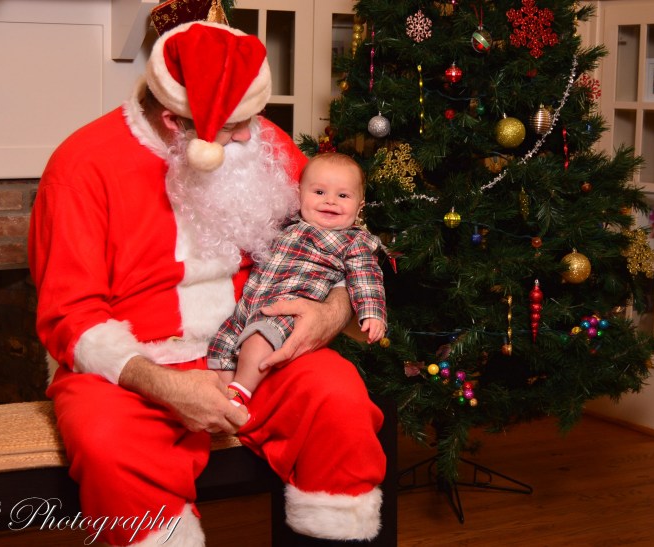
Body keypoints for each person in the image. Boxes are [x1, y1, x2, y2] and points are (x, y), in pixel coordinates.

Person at [29, 19, 386, 547]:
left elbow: (341, 238)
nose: (249, 134)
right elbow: (70, 314)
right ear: (174, 120)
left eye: (251, 118)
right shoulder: (81, 165)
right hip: (139, 364)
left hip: (254, 341)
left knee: (339, 399)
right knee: (106, 443)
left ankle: (334, 535)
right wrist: (165, 385)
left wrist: (332, 311)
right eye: (232, 125)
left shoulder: (262, 143)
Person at [208, 152, 387, 413]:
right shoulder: (286, 225)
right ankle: (226, 400)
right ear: (300, 195)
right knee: (220, 345)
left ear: (360, 207)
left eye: (343, 196)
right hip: (247, 307)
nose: (330, 201)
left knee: (259, 340)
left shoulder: (353, 241)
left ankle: (241, 392)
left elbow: (367, 275)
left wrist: (372, 313)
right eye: (319, 192)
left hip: (287, 312)